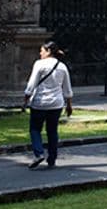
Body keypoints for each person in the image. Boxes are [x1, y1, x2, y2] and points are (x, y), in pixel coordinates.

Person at [23, 41, 73, 169]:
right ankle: (52, 158)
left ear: (48, 51)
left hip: (40, 102)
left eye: (42, 51)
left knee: (35, 129)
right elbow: (67, 89)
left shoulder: (39, 64)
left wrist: (26, 98)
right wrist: (69, 105)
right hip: (56, 103)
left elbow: (31, 84)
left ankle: (38, 153)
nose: (40, 53)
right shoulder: (62, 66)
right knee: (52, 131)